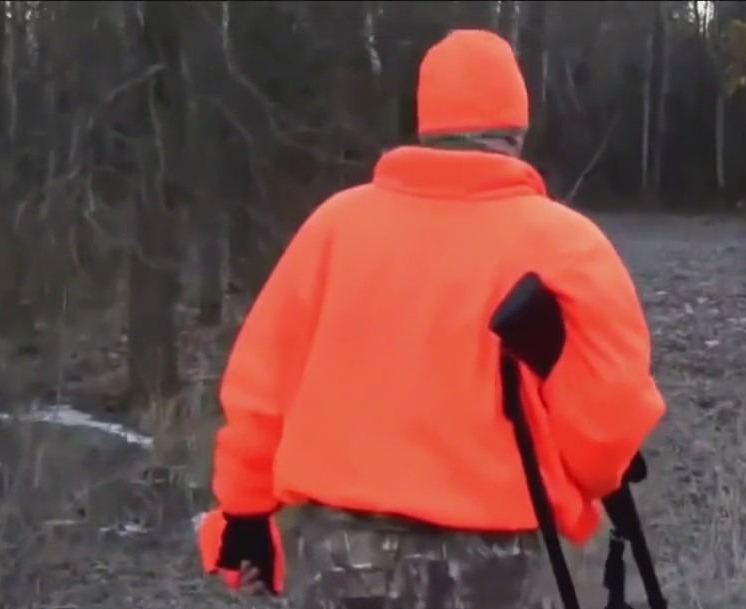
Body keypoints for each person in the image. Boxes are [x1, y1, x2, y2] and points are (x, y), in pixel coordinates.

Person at [198, 28, 667, 609]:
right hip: (494, 564)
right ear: (516, 132)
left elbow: (262, 388)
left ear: (426, 127)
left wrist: (244, 512)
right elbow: (610, 422)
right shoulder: (568, 246)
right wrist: (586, 473)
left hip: (346, 557)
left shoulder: (335, 229)